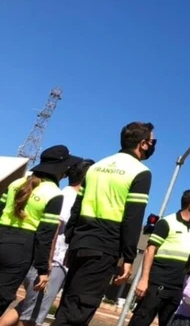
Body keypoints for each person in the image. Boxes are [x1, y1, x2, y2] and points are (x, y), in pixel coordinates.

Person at [53, 121, 156, 326]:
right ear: (143, 143)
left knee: (69, 304)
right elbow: (132, 218)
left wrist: (72, 240)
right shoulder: (140, 172)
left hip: (79, 243)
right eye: (153, 141)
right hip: (104, 246)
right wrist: (128, 257)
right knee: (79, 311)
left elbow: (77, 208)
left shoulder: (96, 167)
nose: (154, 145)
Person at [0, 159, 94, 326]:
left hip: (37, 256)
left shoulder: (60, 193)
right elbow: (52, 231)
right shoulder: (67, 197)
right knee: (33, 315)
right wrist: (47, 266)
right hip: (53, 262)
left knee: (27, 307)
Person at [129, 189, 190, 326]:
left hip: (178, 289)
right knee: (140, 321)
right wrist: (144, 279)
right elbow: (150, 250)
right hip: (157, 285)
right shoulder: (167, 222)